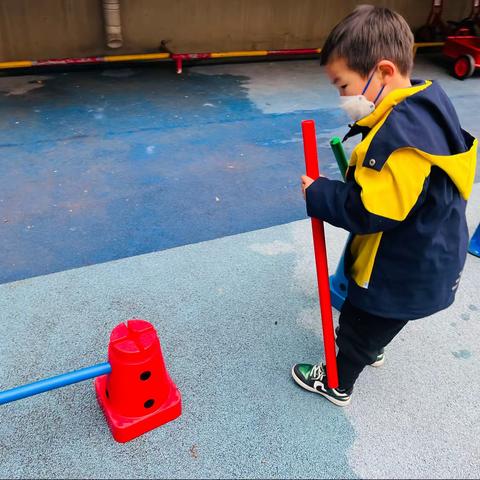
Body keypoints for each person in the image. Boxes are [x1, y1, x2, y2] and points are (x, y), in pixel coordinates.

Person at [291, 5, 477, 406]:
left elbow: (370, 212)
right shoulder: (426, 101)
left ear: (384, 72)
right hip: (429, 256)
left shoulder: (397, 144)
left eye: (344, 86)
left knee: (358, 323)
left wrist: (319, 194)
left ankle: (338, 380)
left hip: (399, 267)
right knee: (384, 320)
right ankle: (372, 345)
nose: (343, 99)